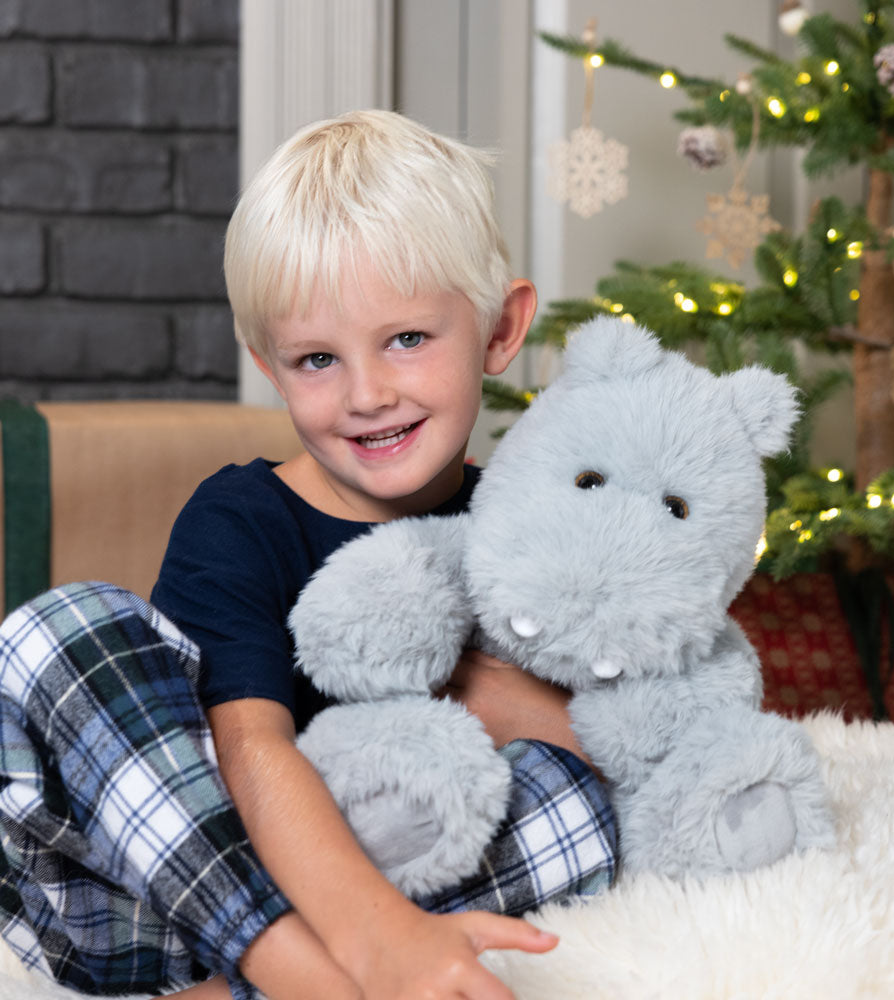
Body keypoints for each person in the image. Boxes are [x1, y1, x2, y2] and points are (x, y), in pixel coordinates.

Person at [0, 111, 616, 1000]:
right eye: (318, 358)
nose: (368, 394)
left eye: (407, 339)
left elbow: (614, 744)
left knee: (574, 799)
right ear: (270, 364)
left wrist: (483, 694)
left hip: (407, 879)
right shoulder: (241, 517)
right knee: (60, 629)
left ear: (499, 329)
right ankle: (302, 977)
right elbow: (246, 748)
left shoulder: (536, 520)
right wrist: (367, 940)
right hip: (164, 902)